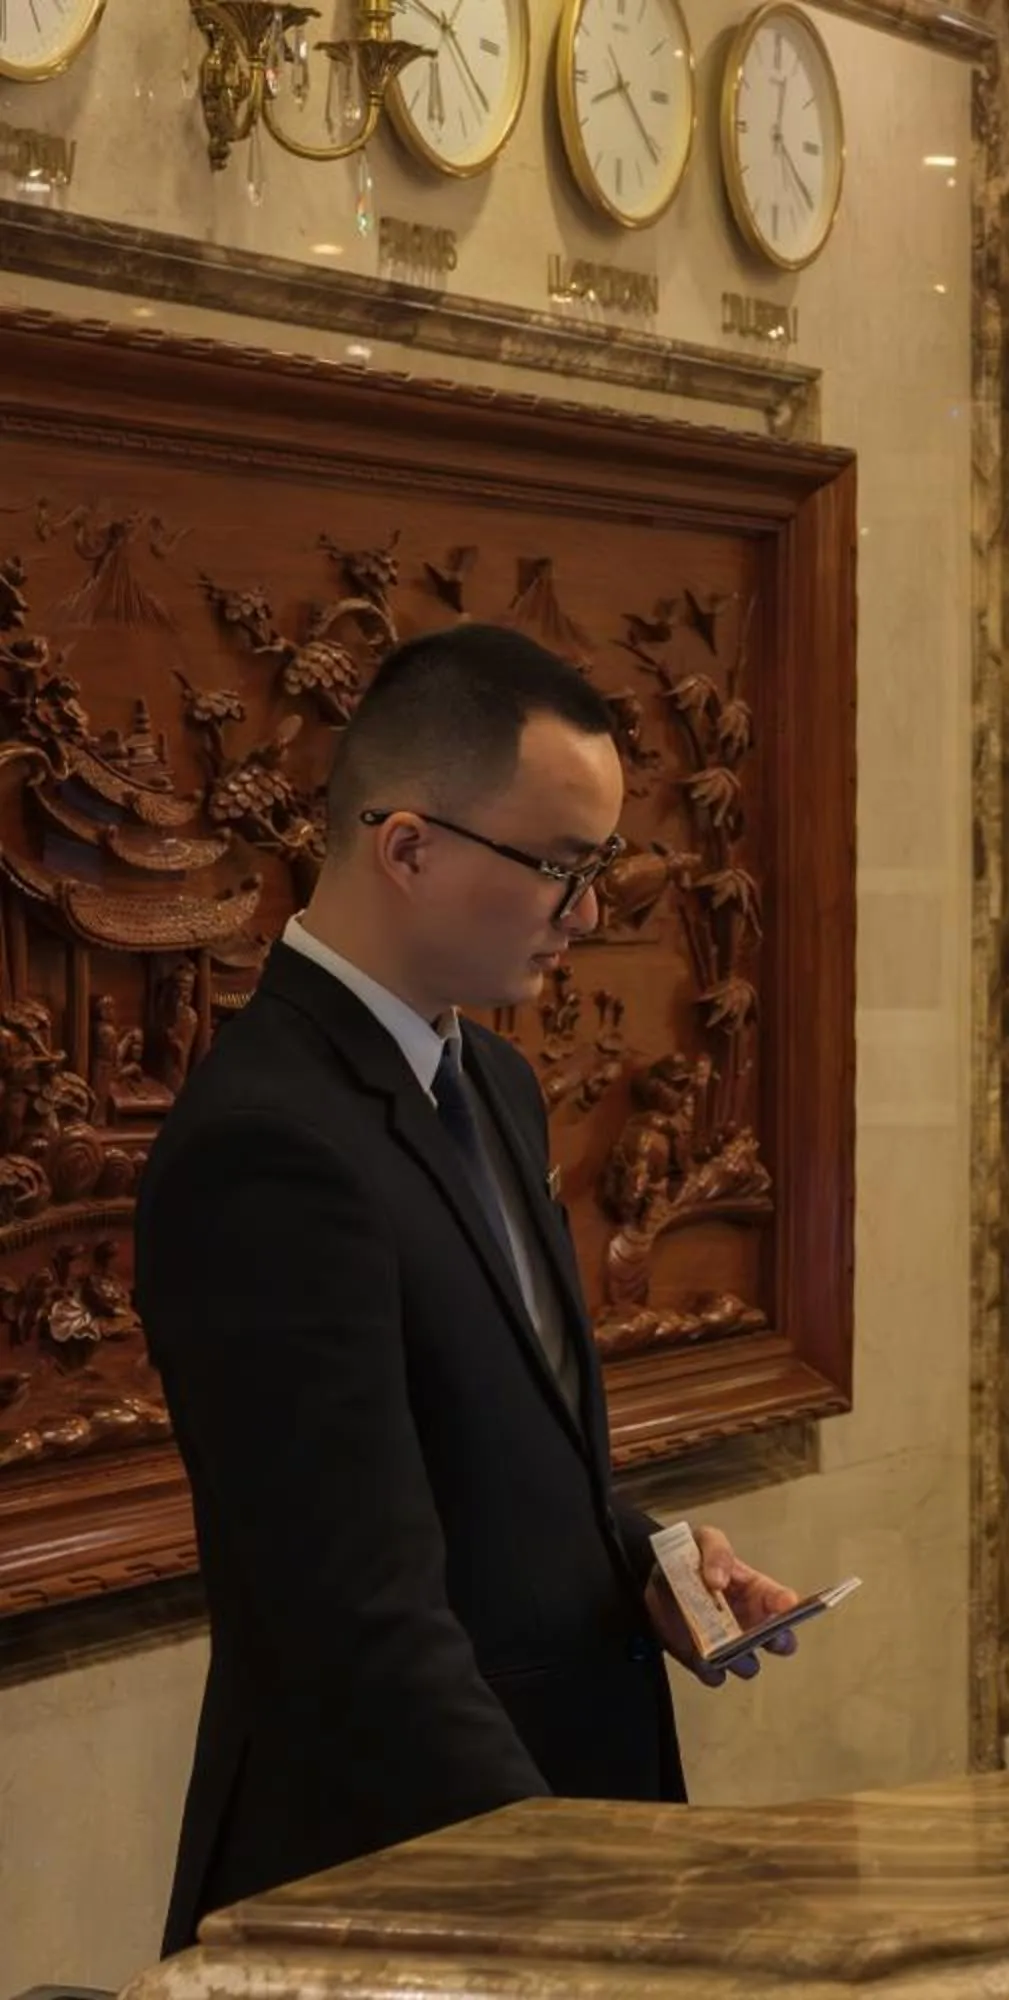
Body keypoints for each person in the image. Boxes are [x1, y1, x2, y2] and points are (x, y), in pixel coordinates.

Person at [137, 625, 799, 1953]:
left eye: (599, 865)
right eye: (560, 866)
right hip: (398, 1885)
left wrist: (643, 1555)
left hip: (554, 1823)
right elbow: (353, 1623)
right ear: (408, 845)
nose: (591, 913)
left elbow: (488, 1444)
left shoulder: (488, 1084)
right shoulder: (267, 1146)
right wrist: (568, 1893)